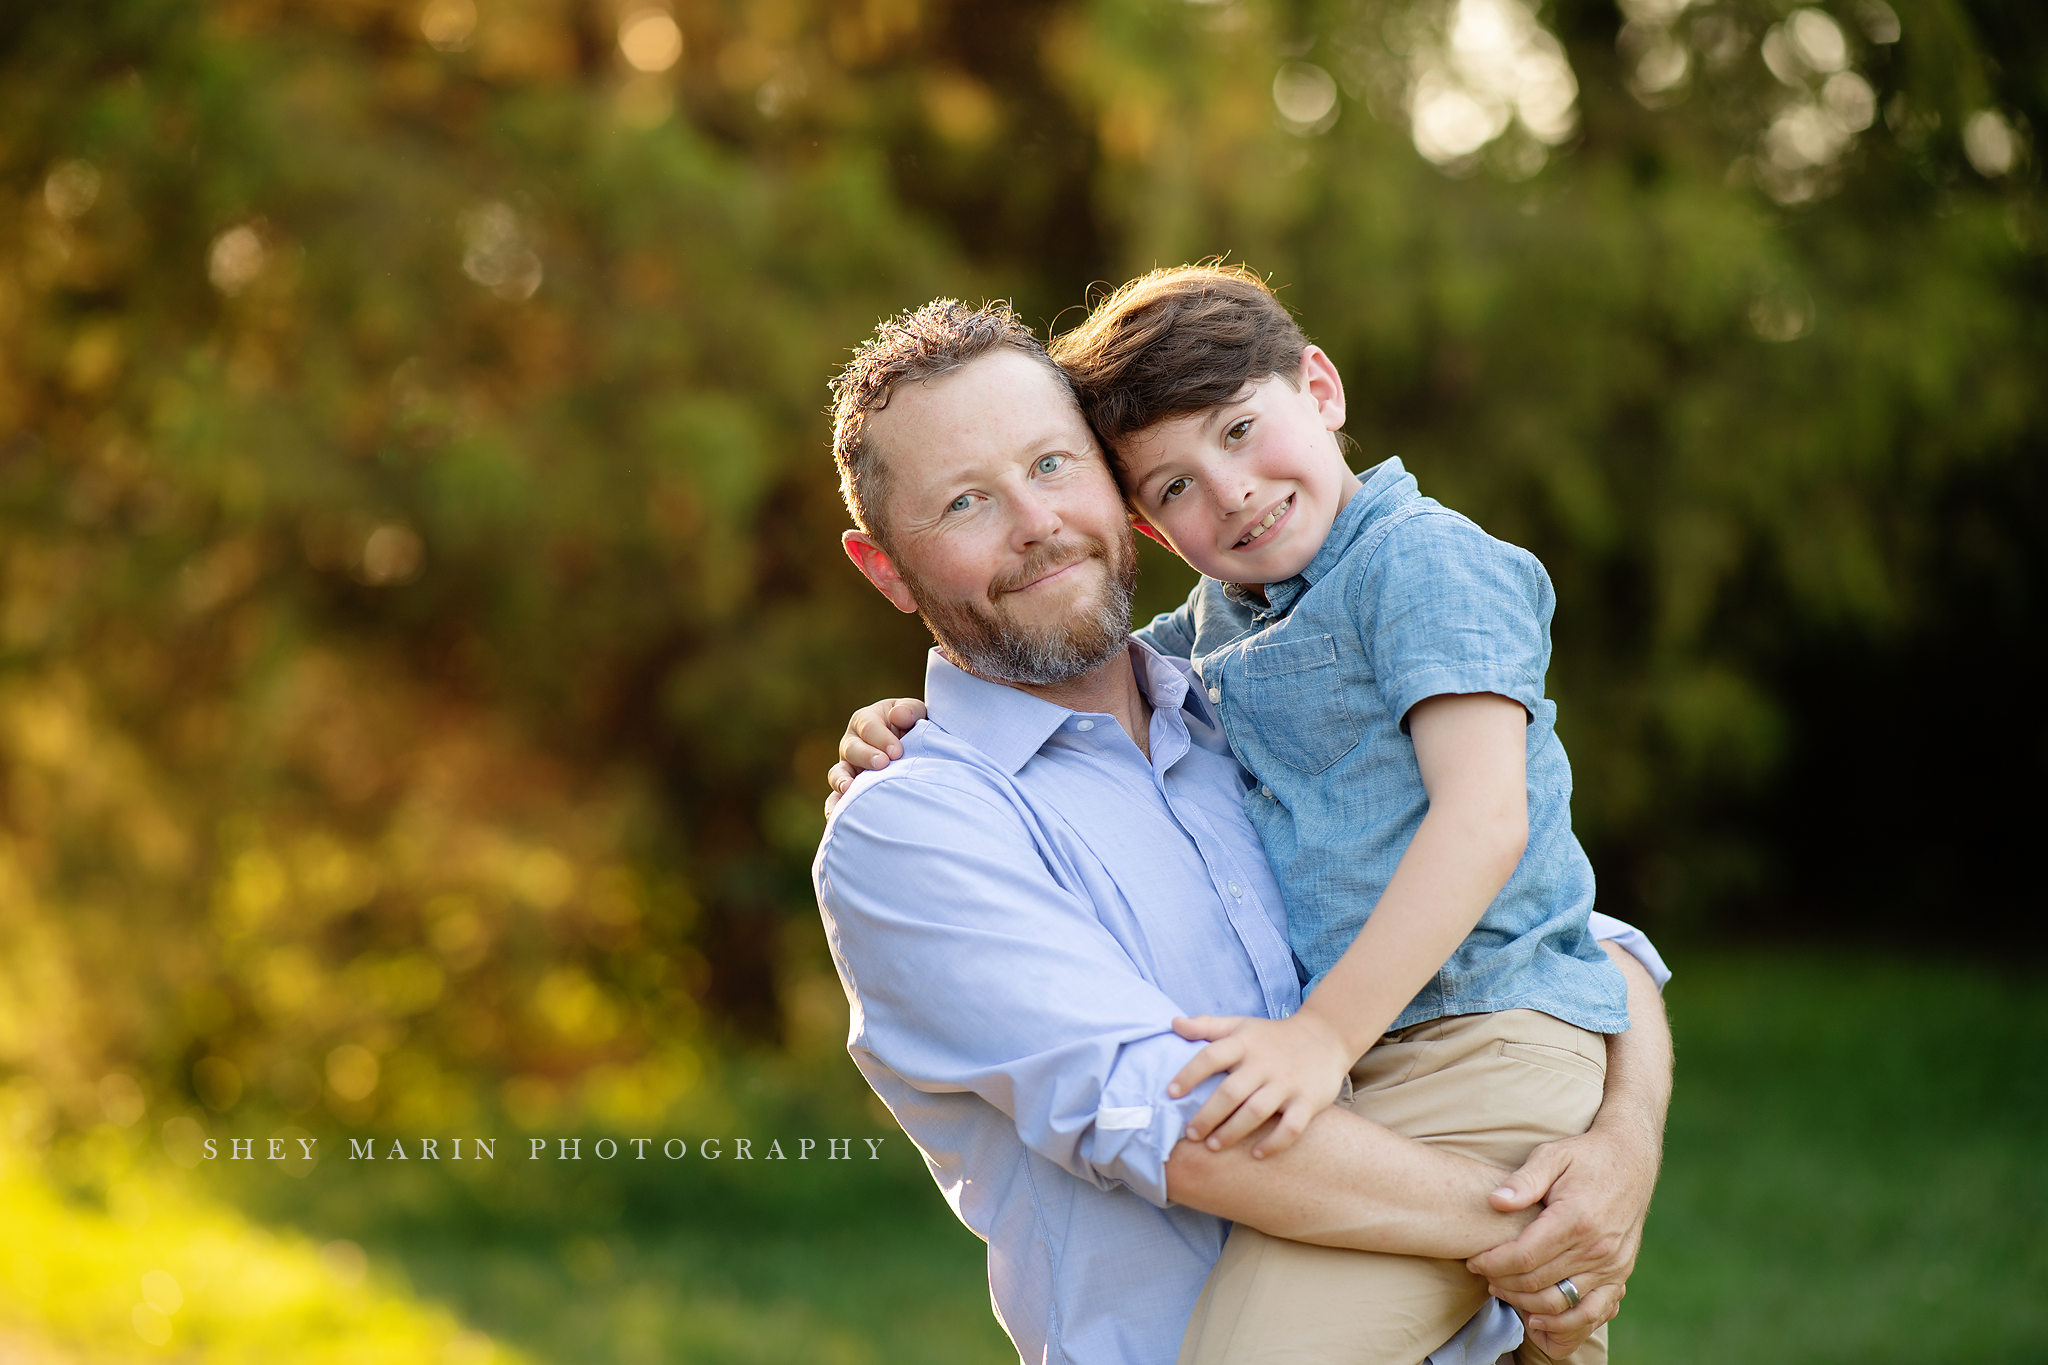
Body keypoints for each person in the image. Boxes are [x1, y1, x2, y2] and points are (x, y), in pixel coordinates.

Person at [815, 296, 1672, 1365]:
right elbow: (1183, 1134)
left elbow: (1568, 926)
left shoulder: (1245, 692)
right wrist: (1541, 1229)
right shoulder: (914, 828)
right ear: (885, 568)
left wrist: (1618, 1152)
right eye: (963, 505)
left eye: (1049, 465)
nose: (1034, 523)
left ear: (1104, 487)